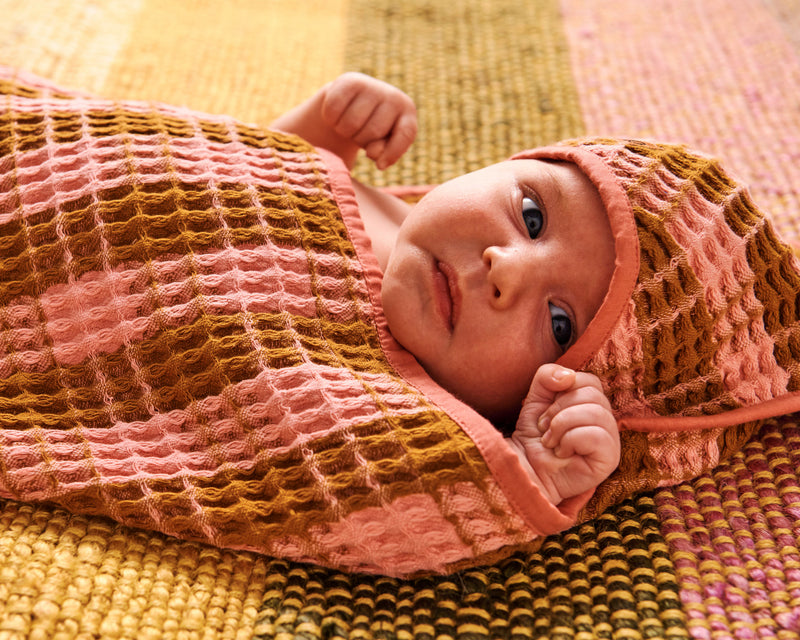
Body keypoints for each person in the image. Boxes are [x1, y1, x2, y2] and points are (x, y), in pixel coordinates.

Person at [271, 72, 621, 507]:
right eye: (532, 217)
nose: (506, 271)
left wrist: (531, 473)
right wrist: (328, 126)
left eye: (559, 323)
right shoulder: (398, 219)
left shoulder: (400, 405)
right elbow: (260, 163)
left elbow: (366, 498)